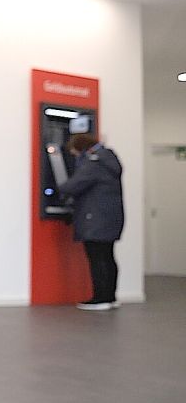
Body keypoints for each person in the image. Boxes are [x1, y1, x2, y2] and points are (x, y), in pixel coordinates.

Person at [59, 133, 125, 311]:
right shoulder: (108, 159)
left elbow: (74, 185)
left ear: (80, 149)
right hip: (110, 218)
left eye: (74, 153)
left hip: (95, 218)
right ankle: (110, 297)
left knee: (97, 258)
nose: (74, 157)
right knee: (108, 257)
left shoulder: (94, 162)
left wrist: (58, 189)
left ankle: (100, 299)